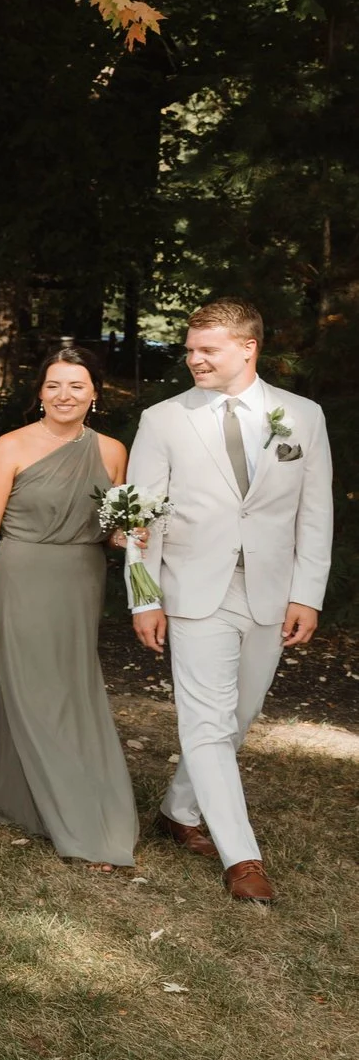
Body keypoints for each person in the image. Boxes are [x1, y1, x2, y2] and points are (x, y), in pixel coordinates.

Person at [128, 299, 335, 903]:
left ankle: (178, 809)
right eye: (190, 349)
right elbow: (137, 517)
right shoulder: (163, 419)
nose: (193, 359)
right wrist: (144, 598)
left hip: (271, 591)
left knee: (239, 715)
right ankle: (242, 857)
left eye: (206, 349)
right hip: (193, 590)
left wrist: (308, 594)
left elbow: (314, 515)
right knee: (207, 723)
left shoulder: (303, 416)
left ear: (248, 348)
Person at [0, 347, 135, 868]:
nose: (65, 396)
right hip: (22, 577)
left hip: (81, 580)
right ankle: (77, 819)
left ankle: (22, 795)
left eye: (77, 386)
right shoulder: (8, 448)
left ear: (95, 394)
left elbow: (111, 533)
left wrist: (134, 534)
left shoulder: (112, 451)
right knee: (36, 693)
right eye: (54, 385)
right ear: (39, 392)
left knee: (73, 690)